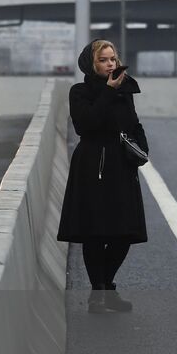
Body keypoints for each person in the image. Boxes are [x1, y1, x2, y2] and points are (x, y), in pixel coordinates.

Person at [57, 40, 148, 313]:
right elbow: (87, 124)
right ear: (91, 64)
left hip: (121, 165)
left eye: (112, 59)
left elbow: (132, 122)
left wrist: (142, 148)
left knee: (124, 232)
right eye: (103, 60)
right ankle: (101, 293)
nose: (110, 64)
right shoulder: (80, 92)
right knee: (94, 233)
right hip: (92, 165)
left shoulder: (125, 89)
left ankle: (104, 288)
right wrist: (108, 92)